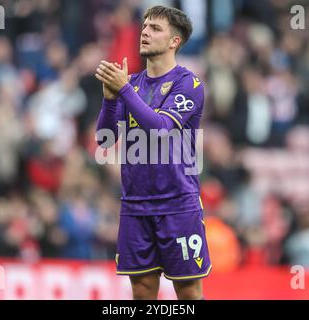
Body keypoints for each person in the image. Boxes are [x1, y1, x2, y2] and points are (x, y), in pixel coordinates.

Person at [95, 6, 211, 300]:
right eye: (144, 26)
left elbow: (160, 128)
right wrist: (110, 100)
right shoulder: (130, 84)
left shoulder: (189, 84)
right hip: (135, 205)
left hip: (177, 203)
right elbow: (104, 140)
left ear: (175, 41)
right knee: (142, 290)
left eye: (155, 28)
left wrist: (123, 92)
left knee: (188, 290)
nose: (145, 32)